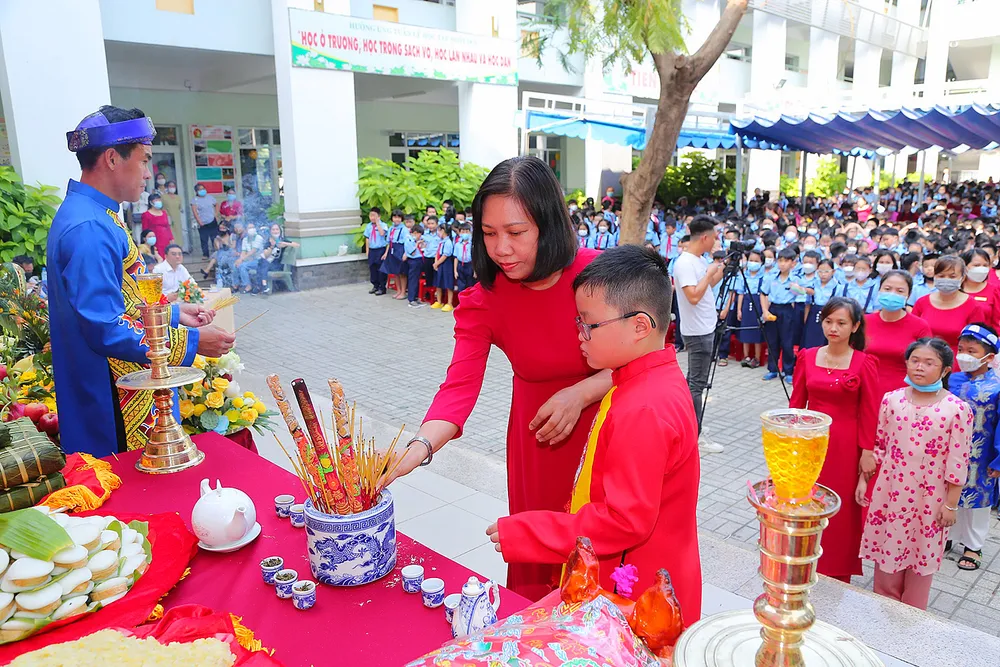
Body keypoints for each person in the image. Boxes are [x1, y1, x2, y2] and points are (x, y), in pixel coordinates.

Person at [383, 156, 612, 601]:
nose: (501, 248)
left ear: (548, 224)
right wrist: (419, 447)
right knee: (544, 572)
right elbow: (459, 385)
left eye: (515, 232)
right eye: (489, 234)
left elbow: (652, 355)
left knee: (605, 564)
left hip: (607, 433)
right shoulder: (487, 299)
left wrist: (581, 392)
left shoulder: (600, 274)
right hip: (541, 445)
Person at [486, 245, 702, 624]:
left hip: (638, 592)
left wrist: (528, 531)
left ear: (639, 326)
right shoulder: (645, 381)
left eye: (588, 323)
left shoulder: (644, 408)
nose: (580, 335)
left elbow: (623, 522)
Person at [49, 105, 234, 457]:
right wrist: (191, 343)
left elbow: (120, 302)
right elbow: (105, 327)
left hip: (117, 388)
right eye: (145, 159)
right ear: (112, 159)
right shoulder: (90, 228)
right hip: (113, 404)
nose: (149, 173)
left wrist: (176, 314)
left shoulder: (95, 215)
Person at [859, 338, 972, 610]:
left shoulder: (957, 409)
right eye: (915, 361)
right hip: (891, 491)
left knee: (921, 555)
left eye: (929, 362)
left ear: (945, 370)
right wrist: (864, 480)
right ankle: (883, 606)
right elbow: (880, 445)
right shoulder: (892, 399)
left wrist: (950, 504)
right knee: (888, 548)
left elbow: (959, 462)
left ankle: (911, 616)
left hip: (930, 498)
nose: (920, 367)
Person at [790, 297, 880, 582]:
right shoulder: (808, 355)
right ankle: (800, 562)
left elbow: (869, 411)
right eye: (828, 321)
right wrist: (793, 440)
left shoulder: (865, 363)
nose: (833, 328)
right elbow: (796, 405)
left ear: (855, 326)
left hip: (845, 446)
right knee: (806, 503)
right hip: (810, 443)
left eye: (841, 323)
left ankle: (837, 571)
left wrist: (867, 451)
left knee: (841, 511)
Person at [948, 324, 1000, 572]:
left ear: (989, 356)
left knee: (979, 500)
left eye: (972, 350)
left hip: (982, 453)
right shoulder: (951, 378)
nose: (964, 355)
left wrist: (998, 460)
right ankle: (947, 535)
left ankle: (973, 544)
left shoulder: (997, 386)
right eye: (961, 349)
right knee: (949, 492)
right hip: (949, 449)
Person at [671, 215, 725, 454]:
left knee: (694, 381)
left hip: (705, 326)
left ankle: (688, 426)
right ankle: (695, 433)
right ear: (704, 237)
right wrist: (708, 273)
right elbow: (693, 296)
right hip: (697, 331)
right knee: (697, 384)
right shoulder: (684, 263)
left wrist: (719, 270)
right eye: (714, 237)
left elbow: (707, 288)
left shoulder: (699, 259)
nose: (716, 241)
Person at [864, 270, 932, 402]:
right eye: (887, 289)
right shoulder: (864, 322)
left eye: (900, 291)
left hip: (903, 395)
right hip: (866, 390)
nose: (892, 294)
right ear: (879, 290)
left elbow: (926, 362)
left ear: (908, 295)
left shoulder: (919, 326)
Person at [912, 256, 986, 363]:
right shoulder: (922, 303)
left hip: (957, 364)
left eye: (952, 276)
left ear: (962, 277)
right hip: (923, 362)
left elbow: (975, 343)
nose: (946, 279)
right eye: (941, 275)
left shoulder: (973, 306)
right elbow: (912, 334)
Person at [760, 248, 799, 382]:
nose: (782, 264)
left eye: (786, 261)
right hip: (773, 308)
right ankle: (772, 369)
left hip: (787, 310)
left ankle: (788, 371)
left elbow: (803, 295)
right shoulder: (771, 277)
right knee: (772, 341)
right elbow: (763, 294)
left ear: (793, 263)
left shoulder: (795, 279)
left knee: (787, 342)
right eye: (780, 261)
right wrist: (765, 311)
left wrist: (797, 288)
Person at [735, 249, 766, 368]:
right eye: (751, 260)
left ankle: (757, 358)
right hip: (746, 303)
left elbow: (765, 295)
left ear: (761, 263)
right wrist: (739, 309)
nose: (753, 263)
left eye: (756, 261)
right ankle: (746, 356)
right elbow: (741, 293)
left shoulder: (763, 277)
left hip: (758, 304)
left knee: (757, 332)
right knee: (745, 331)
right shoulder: (744, 276)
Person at [801, 258, 839, 348]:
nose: (823, 274)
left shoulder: (838, 287)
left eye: (826, 271)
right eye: (820, 271)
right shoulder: (813, 284)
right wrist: (806, 320)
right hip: (813, 315)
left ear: (833, 272)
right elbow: (808, 304)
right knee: (809, 341)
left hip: (829, 315)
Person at [961, 248, 1000, 328]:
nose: (981, 269)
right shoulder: (956, 289)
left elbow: (997, 321)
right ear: (965, 266)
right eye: (976, 265)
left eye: (985, 265)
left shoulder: (994, 290)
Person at [381, 210, 408, 300]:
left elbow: (407, 243)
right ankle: (398, 290)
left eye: (399, 217)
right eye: (395, 217)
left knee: (402, 273)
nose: (396, 219)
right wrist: (386, 253)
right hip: (392, 249)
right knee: (395, 272)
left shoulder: (404, 229)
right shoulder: (391, 228)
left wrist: (405, 253)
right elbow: (389, 242)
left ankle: (403, 292)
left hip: (400, 249)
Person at [363, 207, 388, 295]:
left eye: (374, 216)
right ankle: (375, 285)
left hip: (380, 249)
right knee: (372, 268)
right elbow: (367, 238)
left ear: (379, 216)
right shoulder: (368, 226)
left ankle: (382, 287)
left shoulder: (383, 225)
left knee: (380, 269)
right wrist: (367, 250)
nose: (372, 217)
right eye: (371, 215)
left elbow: (382, 233)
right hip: (372, 250)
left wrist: (378, 223)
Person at [190, 182, 219, 259]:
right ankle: (205, 254)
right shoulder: (194, 200)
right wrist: (199, 221)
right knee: (204, 239)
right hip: (202, 222)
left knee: (215, 238)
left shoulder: (210, 197)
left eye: (203, 189)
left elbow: (216, 205)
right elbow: (195, 211)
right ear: (196, 191)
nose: (202, 190)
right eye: (200, 189)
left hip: (212, 221)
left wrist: (215, 214)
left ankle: (216, 253)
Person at [234, 222, 265, 294]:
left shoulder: (258, 238)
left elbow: (253, 251)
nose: (252, 229)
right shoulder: (245, 239)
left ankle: (248, 286)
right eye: (249, 228)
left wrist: (241, 259)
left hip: (259, 261)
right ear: (246, 230)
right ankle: (236, 285)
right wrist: (239, 260)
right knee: (236, 265)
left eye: (253, 227)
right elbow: (243, 251)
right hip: (250, 260)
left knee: (243, 266)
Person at [140, 192, 173, 258]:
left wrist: (171, 238)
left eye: (159, 200)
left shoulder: (164, 213)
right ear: (151, 202)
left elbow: (167, 227)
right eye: (156, 200)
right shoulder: (146, 214)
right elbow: (145, 229)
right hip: (155, 239)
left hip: (165, 239)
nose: (158, 202)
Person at [432, 224, 455, 312]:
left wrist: (437, 263)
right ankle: (439, 301)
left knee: (448, 283)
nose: (438, 233)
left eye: (439, 230)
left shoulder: (448, 242)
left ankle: (449, 303)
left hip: (446, 263)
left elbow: (445, 255)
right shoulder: (441, 241)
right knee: (438, 282)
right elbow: (437, 252)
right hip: (439, 263)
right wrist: (436, 262)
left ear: (443, 231)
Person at [403, 224, 425, 308]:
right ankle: (411, 299)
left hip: (419, 260)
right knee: (413, 280)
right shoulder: (409, 240)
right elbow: (411, 252)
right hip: (413, 261)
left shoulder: (416, 240)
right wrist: (417, 244)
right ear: (415, 233)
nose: (420, 236)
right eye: (420, 234)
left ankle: (416, 298)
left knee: (417, 280)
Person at [160, 180, 185, 252]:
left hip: (177, 218)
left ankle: (178, 249)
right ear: (167, 187)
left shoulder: (178, 197)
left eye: (173, 186)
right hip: (167, 218)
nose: (172, 188)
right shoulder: (163, 197)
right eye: (170, 186)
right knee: (170, 235)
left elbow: (180, 208)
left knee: (178, 234)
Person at [453, 223, 475, 293]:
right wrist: (455, 271)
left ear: (470, 232)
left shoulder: (472, 244)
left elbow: (475, 258)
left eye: (467, 231)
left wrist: (475, 271)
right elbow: (455, 258)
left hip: (470, 265)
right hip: (460, 265)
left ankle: (470, 302)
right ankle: (462, 302)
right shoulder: (457, 245)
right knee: (461, 285)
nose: (465, 233)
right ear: (459, 233)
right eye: (463, 232)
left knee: (470, 285)